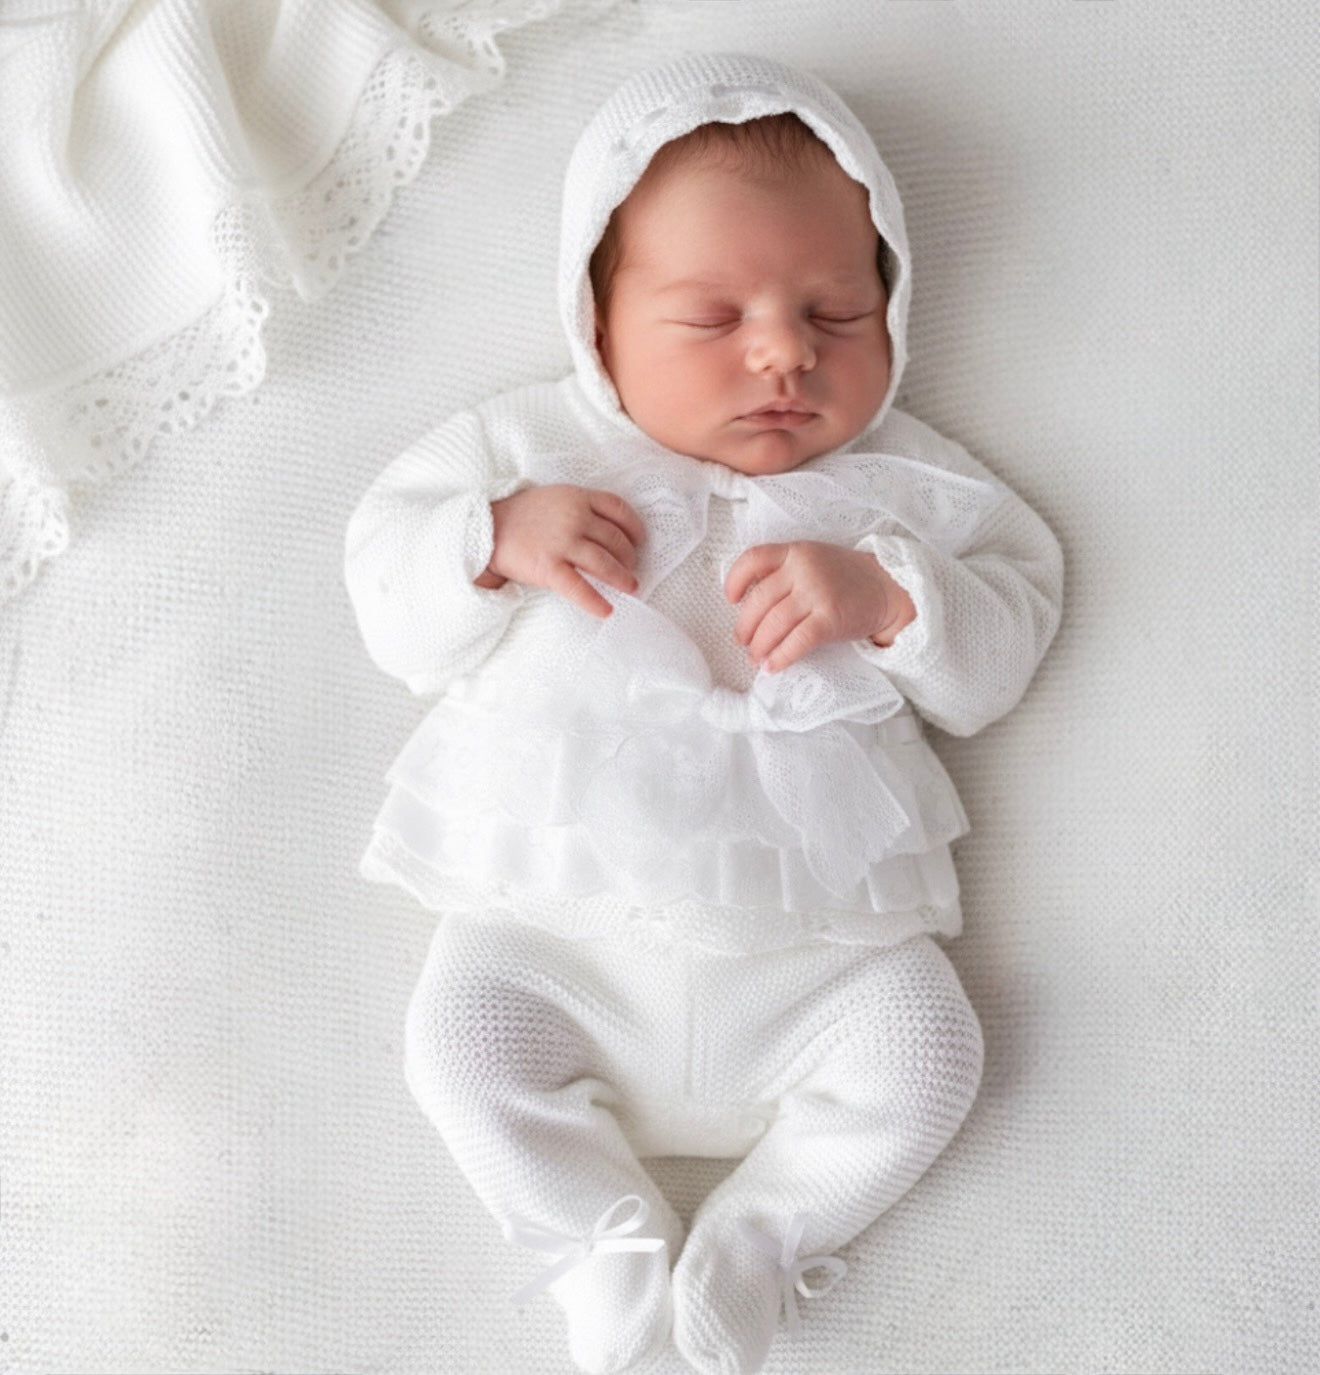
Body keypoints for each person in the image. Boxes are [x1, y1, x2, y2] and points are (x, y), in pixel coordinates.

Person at [345, 52, 1063, 1375]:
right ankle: (600, 1244)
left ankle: (762, 1244)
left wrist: (894, 599)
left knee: (930, 1053)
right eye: (712, 317)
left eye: (836, 314)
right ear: (597, 322)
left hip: (821, 955)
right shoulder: (527, 450)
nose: (784, 350)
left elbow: (1013, 626)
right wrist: (489, 538)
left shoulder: (910, 488)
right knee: (459, 1045)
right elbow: (385, 594)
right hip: (554, 932)